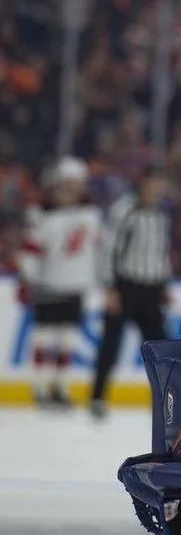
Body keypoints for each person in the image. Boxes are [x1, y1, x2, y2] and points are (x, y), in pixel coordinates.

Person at [16, 156, 102, 408]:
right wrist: (27, 278)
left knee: (68, 339)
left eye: (74, 186)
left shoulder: (90, 216)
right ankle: (41, 388)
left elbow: (99, 249)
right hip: (48, 284)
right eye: (65, 186)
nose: (69, 192)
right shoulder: (44, 217)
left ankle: (60, 388)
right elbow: (31, 251)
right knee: (43, 338)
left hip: (76, 285)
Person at [90, 166, 172, 418]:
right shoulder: (126, 209)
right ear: (144, 182)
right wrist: (110, 287)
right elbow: (109, 248)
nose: (158, 187)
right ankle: (98, 397)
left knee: (162, 348)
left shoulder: (161, 214)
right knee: (111, 344)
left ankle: (162, 400)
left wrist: (164, 284)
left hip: (150, 290)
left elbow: (161, 252)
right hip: (125, 286)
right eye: (154, 180)